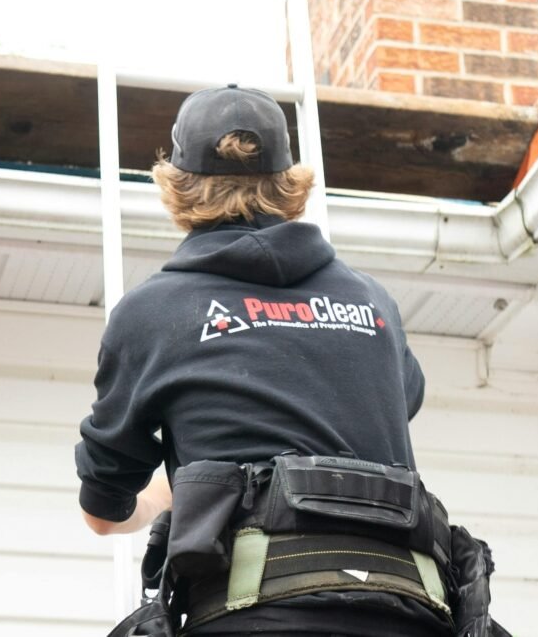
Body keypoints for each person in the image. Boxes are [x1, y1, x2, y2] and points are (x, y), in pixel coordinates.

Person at [75, 84, 455, 636]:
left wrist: (178, 496)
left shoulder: (153, 312)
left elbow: (105, 508)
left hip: (254, 616)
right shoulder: (371, 302)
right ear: (290, 183)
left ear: (175, 183)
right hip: (406, 612)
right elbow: (393, 405)